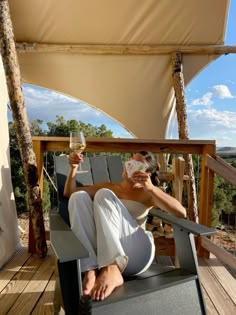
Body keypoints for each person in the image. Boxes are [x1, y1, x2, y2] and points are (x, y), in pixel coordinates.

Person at [64, 151, 186, 301]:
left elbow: (181, 212)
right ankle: (89, 268)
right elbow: (70, 193)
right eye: (130, 160)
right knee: (78, 197)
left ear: (146, 174)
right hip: (102, 253)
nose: (129, 165)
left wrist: (151, 188)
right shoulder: (109, 187)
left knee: (103, 194)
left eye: (137, 165)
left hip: (137, 252)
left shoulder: (147, 194)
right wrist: (73, 168)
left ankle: (112, 267)